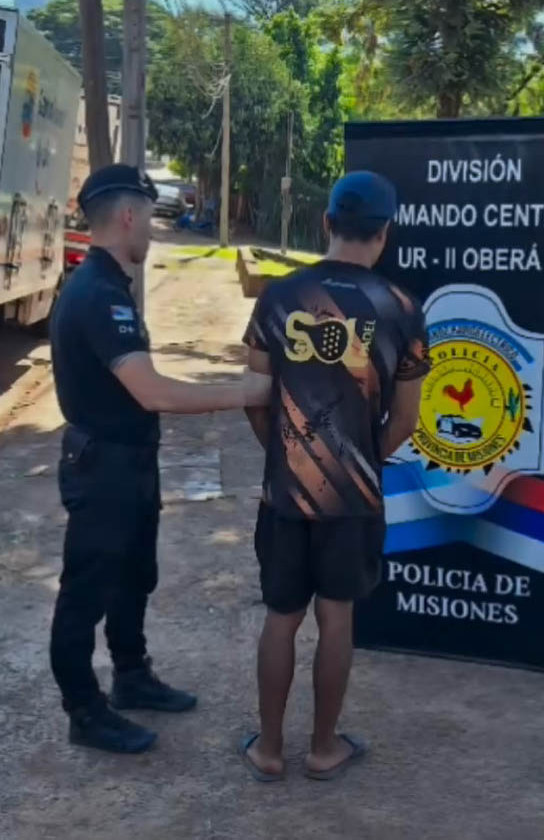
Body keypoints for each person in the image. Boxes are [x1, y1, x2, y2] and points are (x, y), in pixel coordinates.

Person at [49, 164, 271, 755]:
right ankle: (84, 711)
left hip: (126, 463)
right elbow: (152, 392)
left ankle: (131, 675)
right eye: (148, 216)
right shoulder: (99, 295)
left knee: (132, 576)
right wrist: (246, 392)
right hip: (104, 469)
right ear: (128, 216)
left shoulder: (105, 285)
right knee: (85, 592)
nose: (152, 227)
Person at [241, 170, 431, 781]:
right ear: (385, 233)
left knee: (281, 616)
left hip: (285, 494)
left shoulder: (278, 296)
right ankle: (324, 749)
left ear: (326, 222)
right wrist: (361, 460)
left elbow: (254, 397)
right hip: (353, 499)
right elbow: (408, 419)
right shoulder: (403, 309)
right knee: (337, 617)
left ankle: (269, 750)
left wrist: (285, 455)